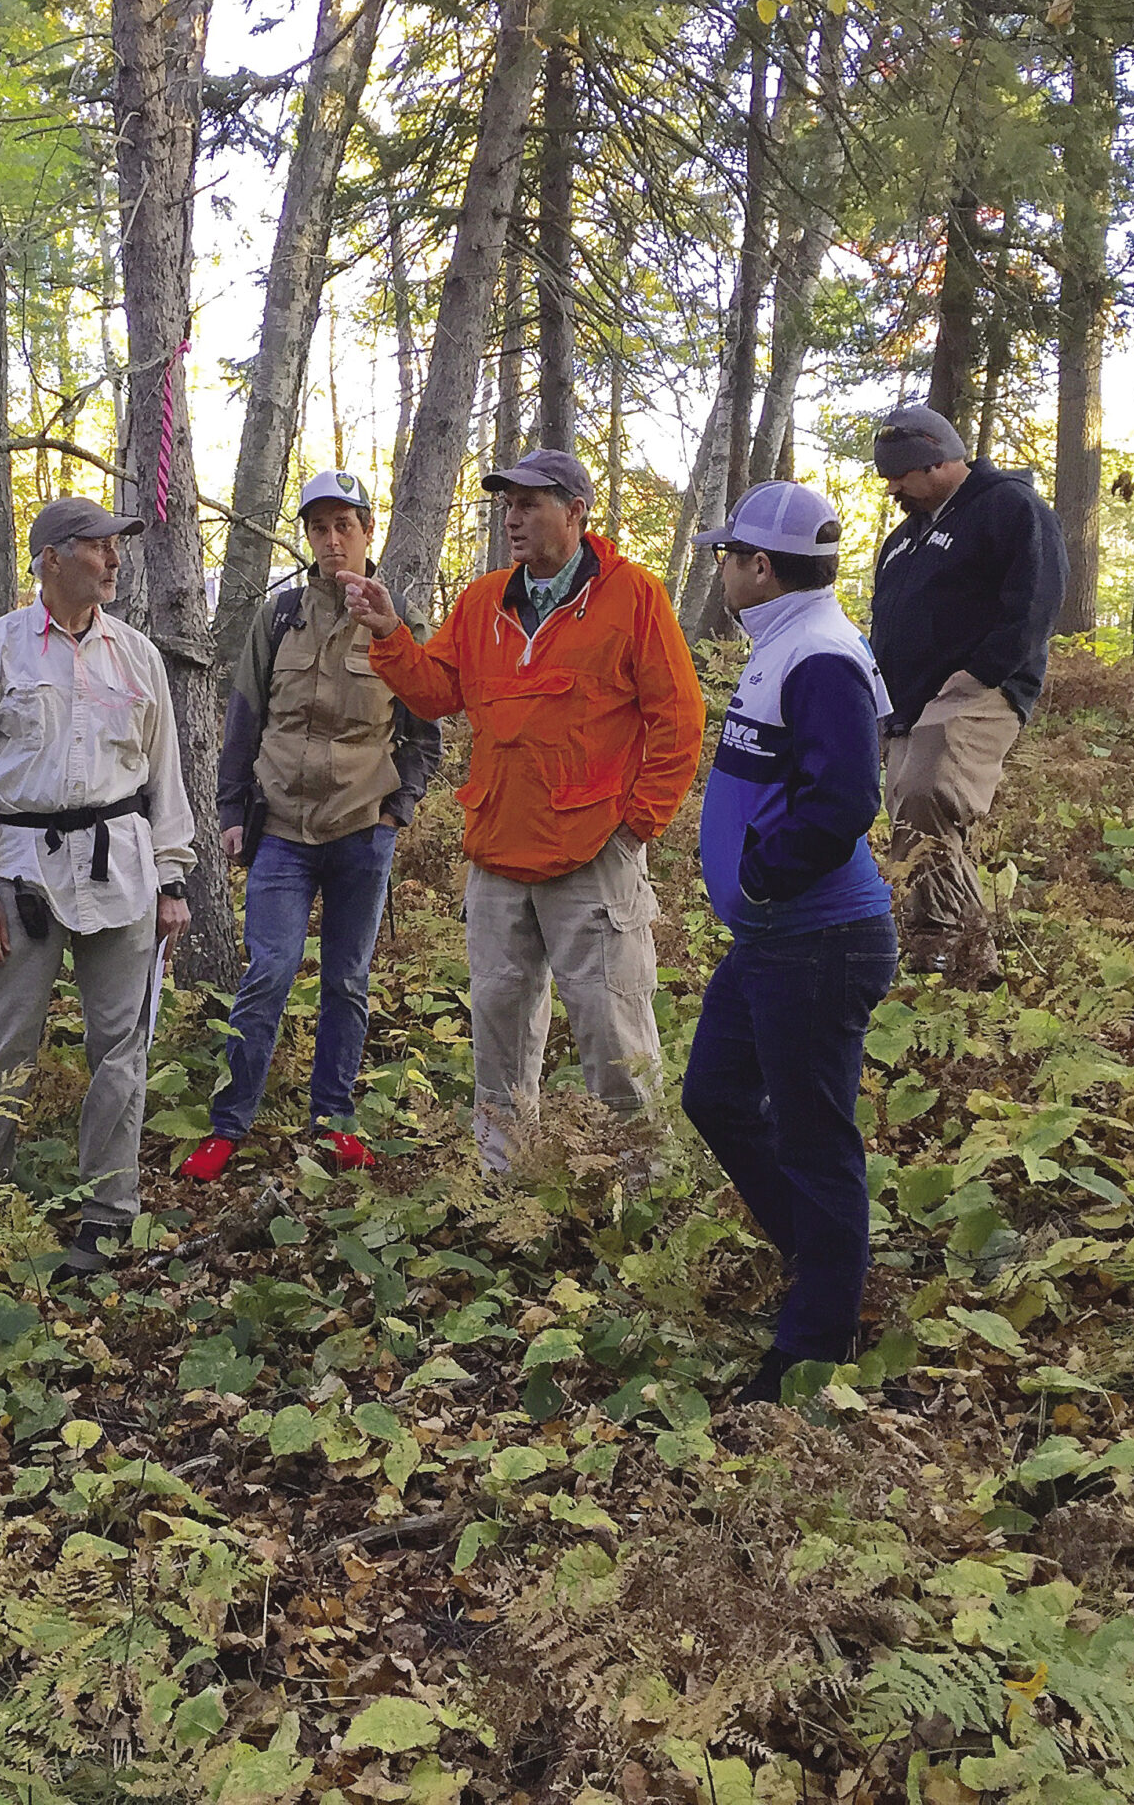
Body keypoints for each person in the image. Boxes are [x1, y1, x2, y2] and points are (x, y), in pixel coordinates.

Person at [343, 448, 704, 1172]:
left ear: (575, 512)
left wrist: (639, 824)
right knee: (500, 1027)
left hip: (593, 853)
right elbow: (437, 692)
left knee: (613, 1029)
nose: (513, 518)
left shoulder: (633, 597)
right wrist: (389, 635)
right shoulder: (482, 602)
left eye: (530, 504)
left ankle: (641, 1188)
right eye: (508, 505)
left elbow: (680, 716)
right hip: (500, 849)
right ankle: (503, 1180)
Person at [679, 483, 900, 1406]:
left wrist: (765, 869)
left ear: (761, 567)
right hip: (775, 939)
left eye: (729, 555)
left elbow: (849, 797)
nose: (721, 567)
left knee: (816, 1140)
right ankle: (823, 1264)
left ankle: (813, 1347)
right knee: (716, 1097)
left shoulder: (817, 654)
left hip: (816, 939)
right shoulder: (786, 645)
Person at [0, 495, 195, 1276]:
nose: (115, 560)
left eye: (116, 548)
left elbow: (164, 777)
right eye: (98, 547)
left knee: (122, 1050)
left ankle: (109, 1215)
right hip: (23, 877)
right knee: (0, 1047)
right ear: (52, 557)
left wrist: (172, 877)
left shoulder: (137, 655)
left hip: (122, 871)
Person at [184, 470, 442, 1182]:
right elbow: (242, 723)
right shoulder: (278, 618)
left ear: (367, 533)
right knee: (266, 973)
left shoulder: (399, 623)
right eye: (319, 528)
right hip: (283, 833)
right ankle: (229, 1123)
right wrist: (231, 813)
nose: (332, 541)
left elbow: (425, 730)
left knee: (347, 981)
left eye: (345, 526)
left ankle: (333, 1117)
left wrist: (400, 809)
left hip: (363, 830)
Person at [868, 404, 1067, 983]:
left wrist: (984, 672)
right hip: (909, 701)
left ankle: (939, 937)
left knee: (931, 792)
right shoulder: (905, 540)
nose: (893, 489)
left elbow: (1036, 600)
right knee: (910, 805)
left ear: (933, 460)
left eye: (899, 475)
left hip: (978, 688)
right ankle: (969, 956)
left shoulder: (1010, 508)